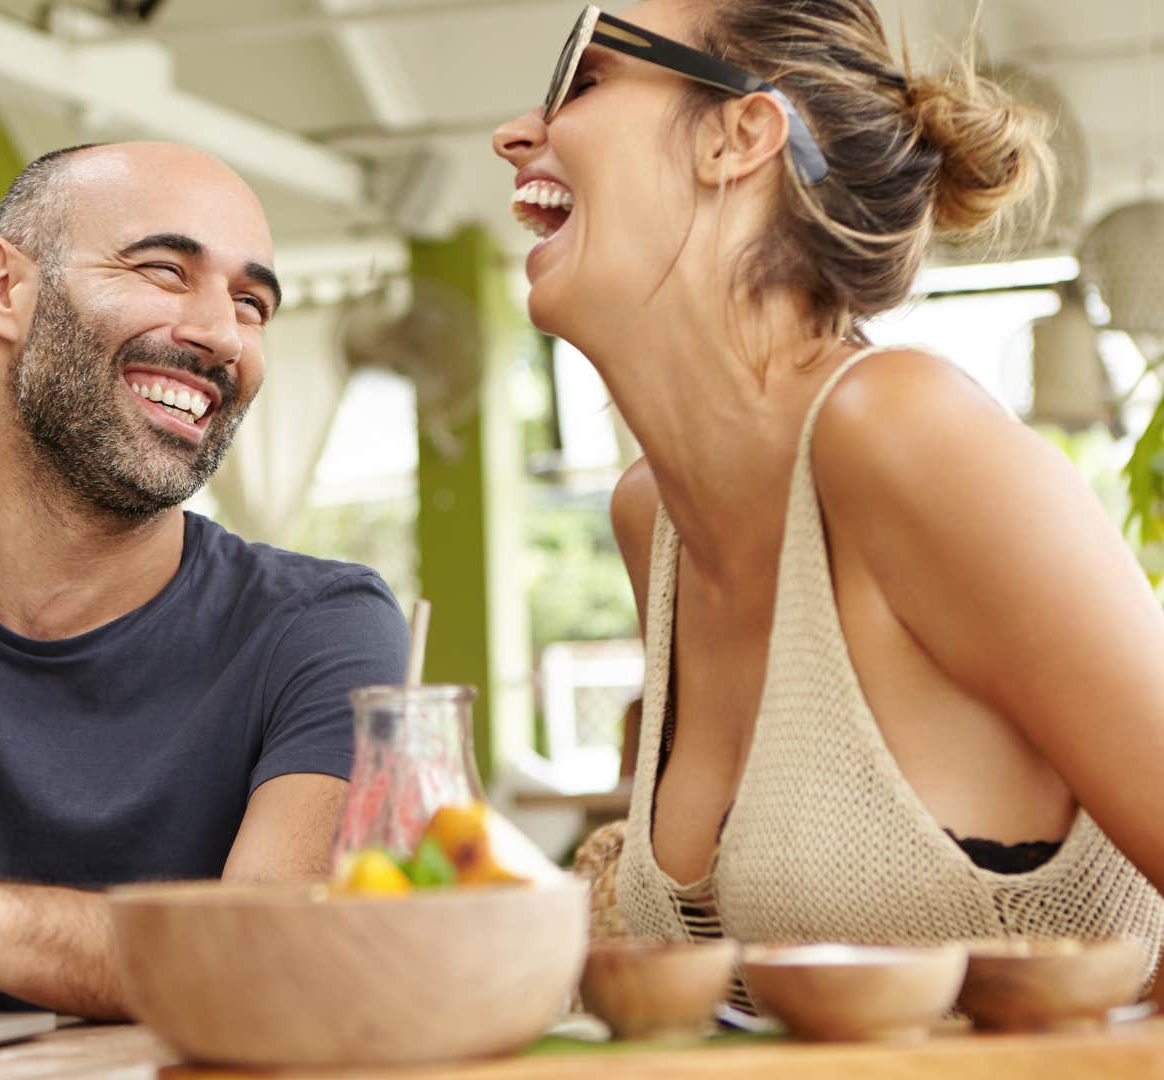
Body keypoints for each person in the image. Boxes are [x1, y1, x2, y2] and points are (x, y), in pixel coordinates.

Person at [494, 0, 1164, 985]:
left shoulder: (904, 433)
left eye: (584, 79)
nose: (516, 132)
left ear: (740, 135)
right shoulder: (656, 524)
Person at [0, 142, 409, 1018]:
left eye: (251, 303)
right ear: (4, 290)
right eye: (162, 269)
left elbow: (274, 957)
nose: (221, 333)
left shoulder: (321, 627)